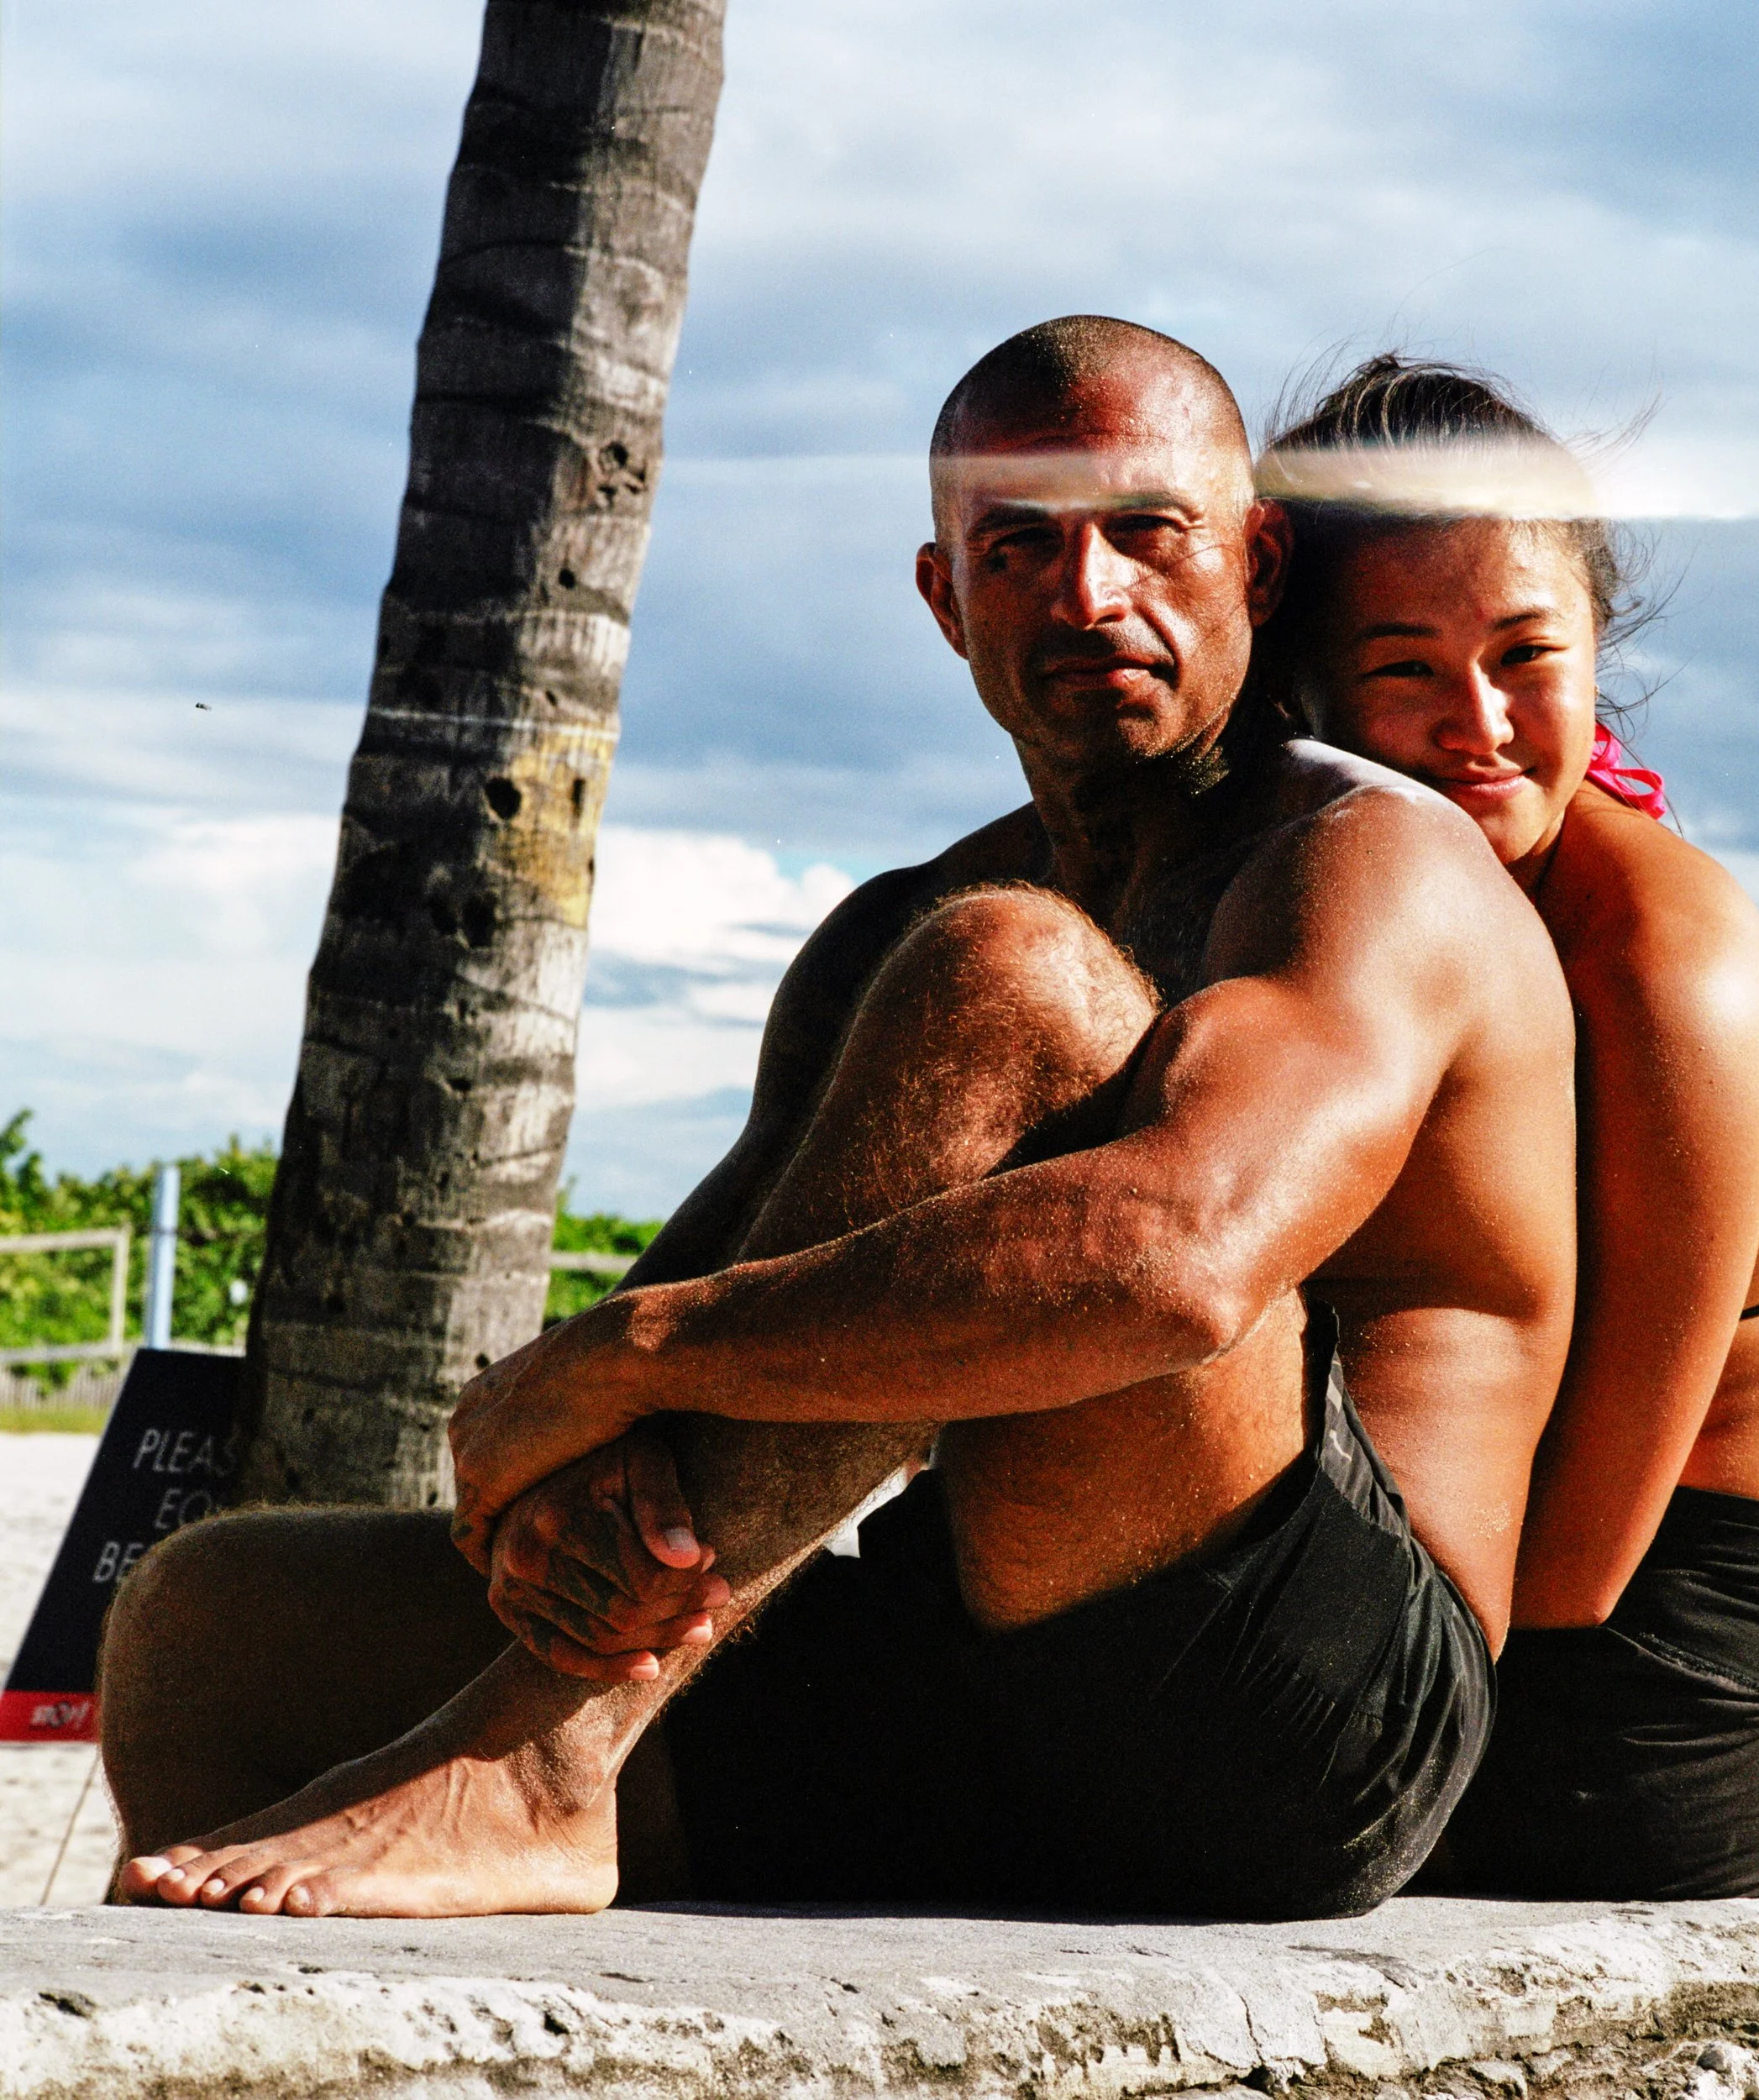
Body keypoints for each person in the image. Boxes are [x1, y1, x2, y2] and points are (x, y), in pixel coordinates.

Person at [100, 318, 1577, 1922]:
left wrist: (620, 1362)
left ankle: (544, 1768)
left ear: (1258, 560)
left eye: (1147, 532)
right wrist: (568, 1501)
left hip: (1308, 1722)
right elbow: (738, 1262)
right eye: (1019, 547)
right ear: (946, 602)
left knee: (1010, 976)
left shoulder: (1367, 862)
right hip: (971, 1666)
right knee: (212, 1628)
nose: (1087, 595)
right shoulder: (895, 923)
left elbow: (1178, 1268)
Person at [1259, 357, 1759, 1900]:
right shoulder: (1356, 907)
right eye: (1402, 667)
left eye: (1526, 654)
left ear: (1599, 648)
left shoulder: (1671, 972)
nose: (1477, 724)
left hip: (1676, 1696)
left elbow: (1577, 1571)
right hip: (1476, 1610)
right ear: (1305, 690)